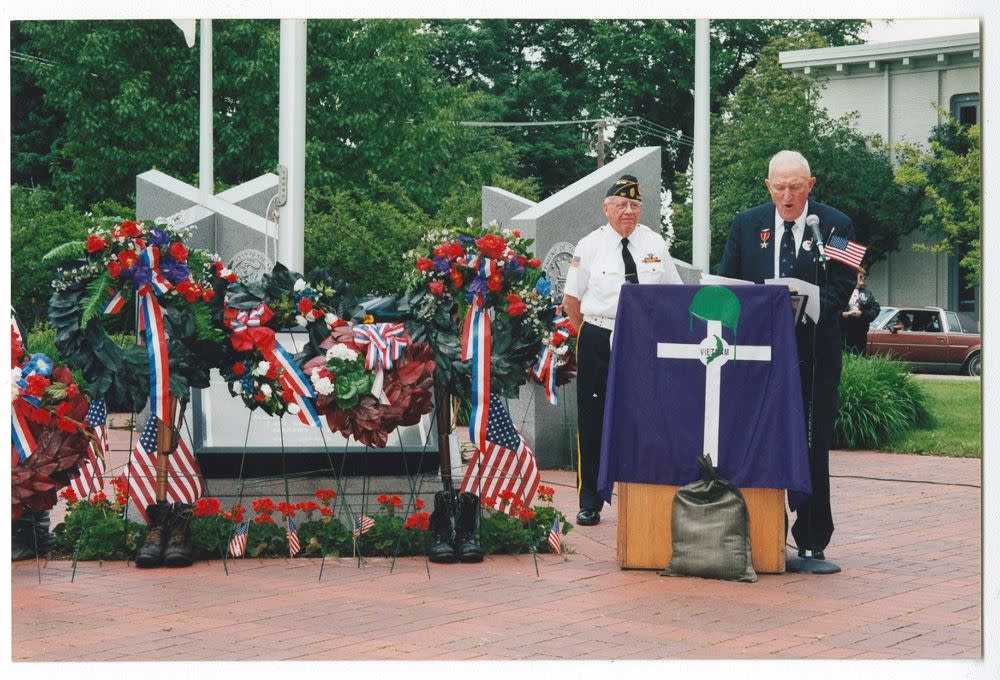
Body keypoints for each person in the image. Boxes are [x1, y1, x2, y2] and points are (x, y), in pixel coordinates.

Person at [717, 150, 856, 563]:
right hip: (759, 354)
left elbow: (843, 286)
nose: (788, 196)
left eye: (796, 187)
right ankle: (762, 530)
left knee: (813, 444)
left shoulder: (837, 224)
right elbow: (728, 282)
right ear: (768, 186)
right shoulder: (746, 224)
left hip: (815, 354)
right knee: (757, 438)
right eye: (779, 187)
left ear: (810, 186)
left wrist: (808, 303)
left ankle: (813, 536)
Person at [562, 175, 683, 526]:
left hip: (643, 339)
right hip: (599, 334)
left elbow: (673, 293)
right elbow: (572, 300)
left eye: (635, 205)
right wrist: (587, 333)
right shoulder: (589, 245)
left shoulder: (655, 243)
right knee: (592, 418)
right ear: (606, 208)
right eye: (621, 205)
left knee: (645, 416)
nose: (628, 211)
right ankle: (590, 500)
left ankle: (642, 493)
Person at [841, 267, 880, 354]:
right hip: (842, 333)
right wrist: (842, 314)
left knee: (859, 356)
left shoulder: (867, 294)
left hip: (860, 334)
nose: (863, 280)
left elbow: (875, 310)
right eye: (860, 277)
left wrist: (862, 314)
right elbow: (832, 310)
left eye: (864, 278)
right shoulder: (841, 292)